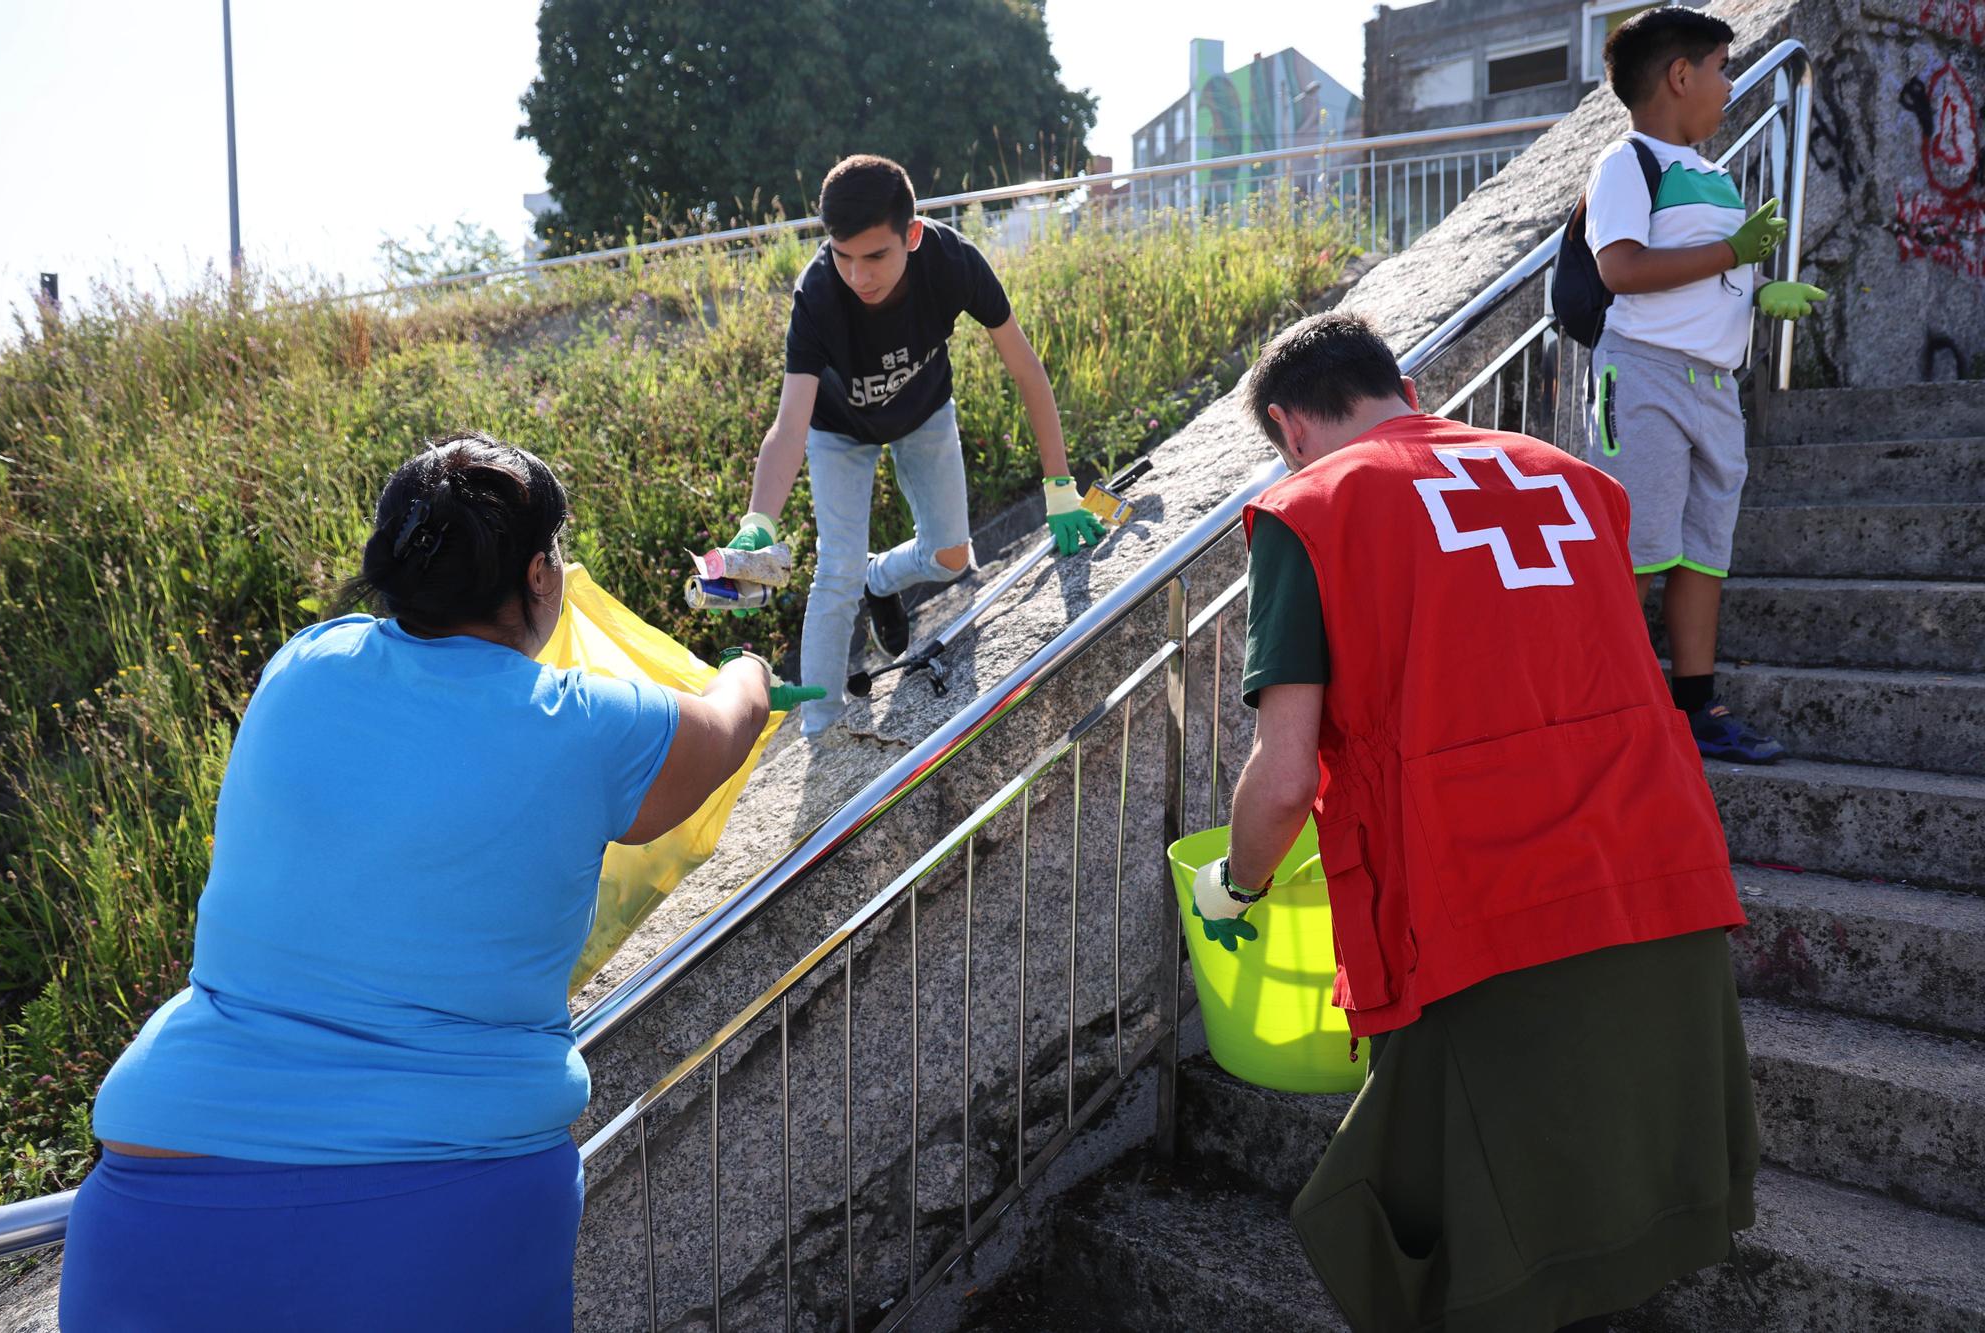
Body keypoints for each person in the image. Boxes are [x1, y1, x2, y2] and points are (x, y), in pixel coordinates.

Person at [59, 435, 808, 1331]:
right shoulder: (582, 726)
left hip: (156, 1204)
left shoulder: (302, 667)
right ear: (540, 575)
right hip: (439, 1214)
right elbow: (725, 730)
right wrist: (749, 669)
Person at [1197, 312, 1759, 1332]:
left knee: (1453, 1240)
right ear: (1403, 384)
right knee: (1599, 1210)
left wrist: (1232, 882)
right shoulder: (1578, 484)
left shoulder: (1310, 508)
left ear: (1287, 427)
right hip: (1651, 869)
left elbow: (1280, 780)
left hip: (1479, 911)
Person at [722, 153, 1106, 736]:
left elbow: (1026, 369)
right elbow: (789, 424)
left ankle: (881, 580)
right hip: (838, 431)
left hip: (924, 410)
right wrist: (758, 523)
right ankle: (822, 731)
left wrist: (1059, 485)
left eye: (876, 256)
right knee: (837, 572)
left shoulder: (953, 263)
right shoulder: (819, 294)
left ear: (913, 234)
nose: (859, 276)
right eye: (844, 256)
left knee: (953, 558)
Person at [1584, 6, 1827, 763]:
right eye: (1722, 68)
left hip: (1714, 384)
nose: (1729, 85)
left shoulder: (1714, 176)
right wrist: (1732, 253)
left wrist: (1758, 293)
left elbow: (1704, 277)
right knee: (1639, 550)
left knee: (1701, 552)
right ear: (1680, 75)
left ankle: (1697, 707)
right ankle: (1608, 708)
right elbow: (1620, 269)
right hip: (1646, 373)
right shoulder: (1627, 163)